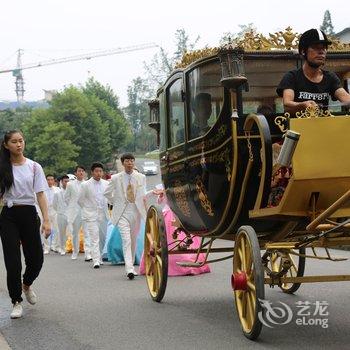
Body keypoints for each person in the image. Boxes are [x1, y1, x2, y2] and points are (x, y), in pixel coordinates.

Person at [0, 130, 50, 319]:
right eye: (14, 142)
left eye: (21, 141)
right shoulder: (2, 167)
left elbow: (40, 194)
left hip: (29, 213)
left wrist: (46, 220)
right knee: (12, 261)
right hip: (9, 215)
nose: (19, 145)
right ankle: (16, 301)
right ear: (6, 145)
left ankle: (26, 285)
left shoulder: (34, 167)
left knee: (36, 259)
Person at [139, 186, 211, 276]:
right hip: (179, 215)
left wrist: (160, 194)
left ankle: (180, 257)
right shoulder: (166, 188)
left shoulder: (165, 188)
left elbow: (159, 201)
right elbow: (158, 201)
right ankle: (184, 257)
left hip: (174, 215)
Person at [277, 28, 350, 114]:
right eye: (316, 48)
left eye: (324, 48)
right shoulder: (291, 77)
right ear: (303, 51)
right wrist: (303, 105)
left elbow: (347, 100)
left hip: (324, 126)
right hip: (296, 127)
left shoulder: (330, 77)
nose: (321, 52)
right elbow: (287, 105)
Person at [104, 153, 147, 279]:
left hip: (136, 211)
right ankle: (129, 268)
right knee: (126, 240)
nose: (130, 163)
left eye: (132, 161)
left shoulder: (141, 177)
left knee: (133, 240)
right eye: (127, 161)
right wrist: (115, 201)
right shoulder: (115, 178)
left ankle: (132, 265)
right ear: (123, 163)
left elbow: (142, 194)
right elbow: (107, 193)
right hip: (122, 212)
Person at [78, 162, 109, 269]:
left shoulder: (106, 184)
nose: (99, 173)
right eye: (96, 171)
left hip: (103, 213)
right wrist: (87, 209)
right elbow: (80, 200)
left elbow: (109, 197)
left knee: (103, 237)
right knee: (94, 237)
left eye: (100, 171)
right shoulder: (85, 185)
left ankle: (99, 256)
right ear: (92, 172)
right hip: (91, 214)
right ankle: (96, 260)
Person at [64, 165, 91, 261]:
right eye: (79, 171)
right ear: (75, 173)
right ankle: (75, 251)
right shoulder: (70, 184)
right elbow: (66, 198)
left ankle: (88, 253)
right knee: (75, 233)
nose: (81, 173)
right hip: (74, 211)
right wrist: (72, 206)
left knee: (87, 232)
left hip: (85, 210)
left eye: (83, 171)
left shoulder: (88, 184)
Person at [52, 174, 70, 255]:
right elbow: (54, 205)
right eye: (65, 181)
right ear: (61, 182)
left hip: (69, 214)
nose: (67, 183)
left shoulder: (71, 192)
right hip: (61, 214)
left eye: (68, 181)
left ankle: (68, 247)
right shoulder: (57, 193)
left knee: (69, 232)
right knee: (61, 232)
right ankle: (62, 248)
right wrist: (60, 211)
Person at [43, 174, 60, 254]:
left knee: (57, 229)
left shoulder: (57, 190)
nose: (50, 181)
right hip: (45, 210)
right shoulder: (42, 190)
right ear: (45, 180)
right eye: (48, 179)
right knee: (46, 229)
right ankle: (46, 247)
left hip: (55, 210)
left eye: (51, 179)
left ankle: (55, 246)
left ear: (54, 181)